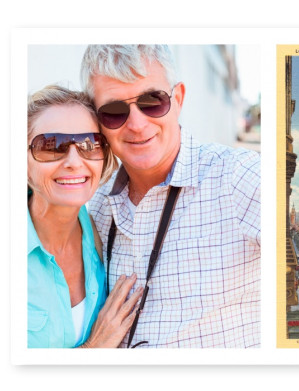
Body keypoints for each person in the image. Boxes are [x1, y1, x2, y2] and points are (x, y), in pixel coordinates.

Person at [81, 45, 261, 348]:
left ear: (177, 99)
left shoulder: (238, 177)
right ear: (98, 123)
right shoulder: (96, 207)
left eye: (152, 101)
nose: (137, 125)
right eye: (114, 112)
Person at [27, 85, 144, 348]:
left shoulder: (102, 234)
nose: (74, 161)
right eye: (51, 145)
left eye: (89, 145)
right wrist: (93, 349)